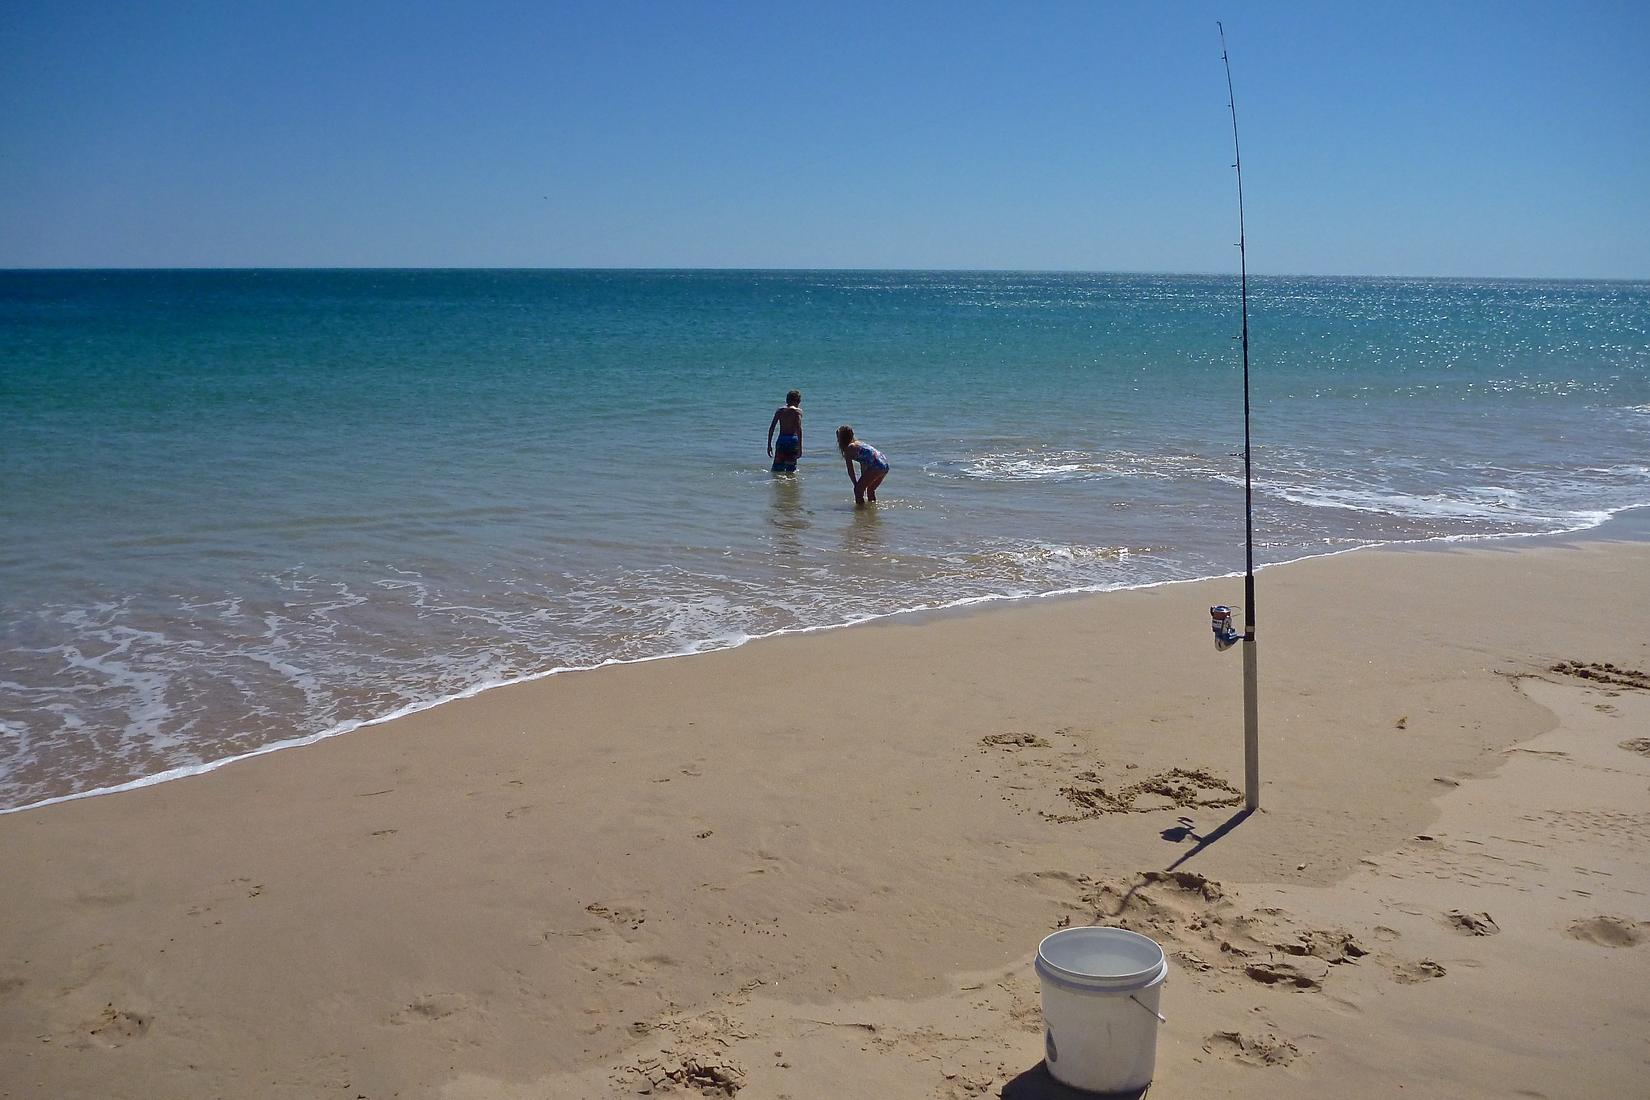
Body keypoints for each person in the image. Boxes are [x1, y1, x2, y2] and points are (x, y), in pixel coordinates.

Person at [835, 424, 889, 504]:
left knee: (858, 491)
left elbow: (850, 470)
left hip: (876, 465)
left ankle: (860, 512)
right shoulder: (858, 444)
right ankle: (871, 511)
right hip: (884, 464)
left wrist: (856, 485)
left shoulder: (848, 449)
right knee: (870, 490)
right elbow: (864, 463)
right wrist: (862, 483)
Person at [767, 390, 803, 473]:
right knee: (791, 470)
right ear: (798, 401)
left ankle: (778, 484)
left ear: (787, 400)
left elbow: (772, 428)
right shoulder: (797, 412)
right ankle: (790, 485)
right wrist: (800, 448)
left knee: (777, 470)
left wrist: (769, 445)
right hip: (793, 441)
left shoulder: (780, 411)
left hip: (781, 440)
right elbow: (799, 429)